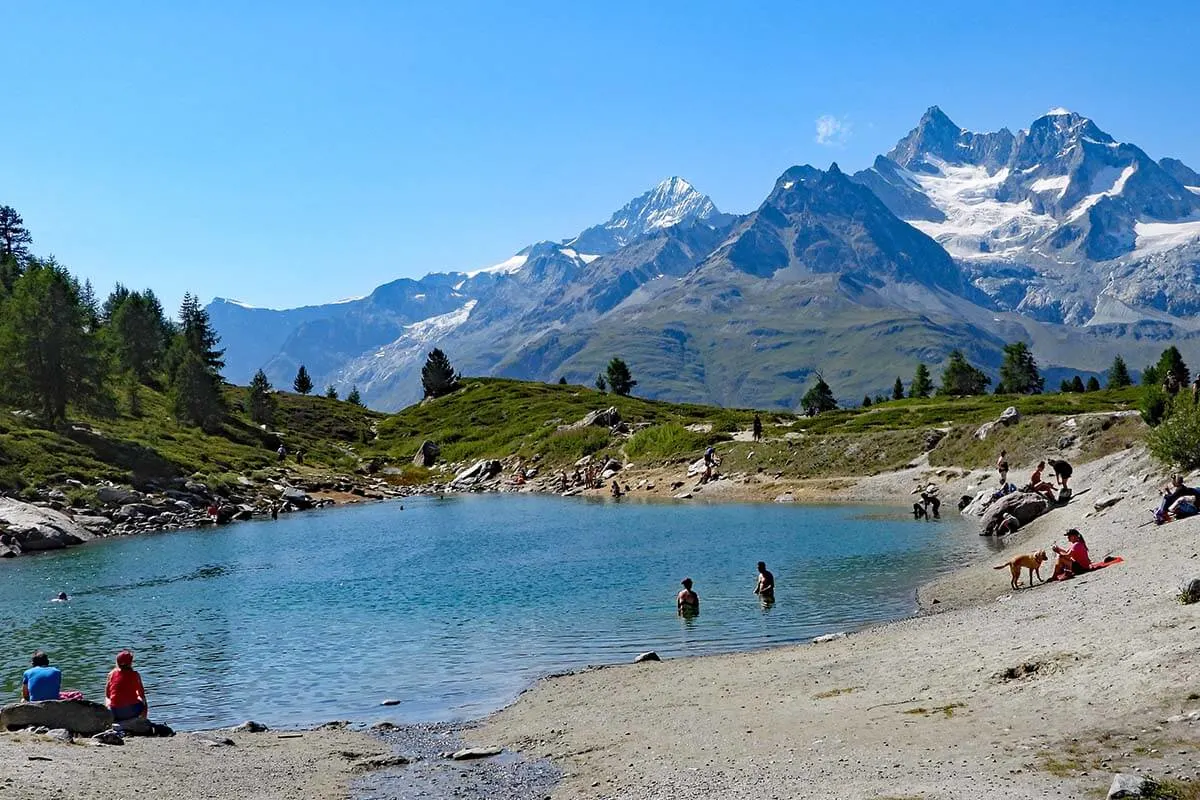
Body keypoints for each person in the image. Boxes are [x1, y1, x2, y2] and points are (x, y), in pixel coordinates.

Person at [105, 650, 148, 722]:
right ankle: (143, 721)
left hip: (114, 712)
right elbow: (141, 694)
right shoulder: (135, 675)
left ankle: (111, 721)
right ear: (130, 663)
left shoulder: (111, 674)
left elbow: (108, 694)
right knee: (143, 700)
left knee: (107, 699)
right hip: (131, 712)